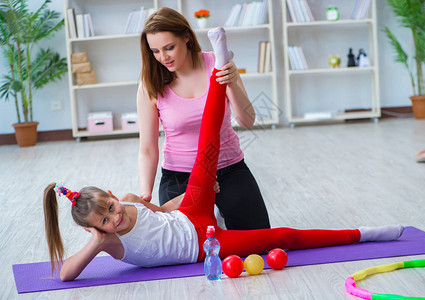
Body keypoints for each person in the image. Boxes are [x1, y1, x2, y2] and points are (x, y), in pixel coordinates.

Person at [43, 29, 404, 281]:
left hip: (194, 206)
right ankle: (363, 234)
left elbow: (164, 213)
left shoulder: (128, 203)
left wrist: (198, 193)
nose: (114, 216)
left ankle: (366, 233)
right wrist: (96, 239)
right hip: (203, 242)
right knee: (279, 238)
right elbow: (65, 273)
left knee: (209, 145)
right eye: (105, 220)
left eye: (109, 207)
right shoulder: (106, 238)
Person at [137, 7, 270, 230]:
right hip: (181, 177)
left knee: (258, 246)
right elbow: (148, 148)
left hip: (229, 169)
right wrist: (145, 192)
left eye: (169, 48)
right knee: (187, 251)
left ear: (187, 37)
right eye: (155, 51)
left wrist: (233, 82)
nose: (163, 57)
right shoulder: (150, 83)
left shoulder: (218, 63)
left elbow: (247, 121)